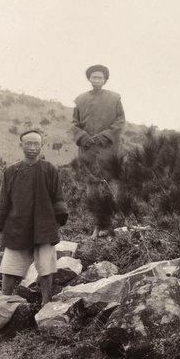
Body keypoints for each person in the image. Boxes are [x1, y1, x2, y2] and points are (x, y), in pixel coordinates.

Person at [0, 130, 68, 306]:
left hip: (44, 226)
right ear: (21, 146)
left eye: (36, 144)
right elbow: (3, 201)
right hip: (17, 226)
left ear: (42, 146)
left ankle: (45, 302)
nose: (33, 148)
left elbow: (58, 197)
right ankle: (4, 301)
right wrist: (1, 227)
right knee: (10, 268)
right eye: (28, 144)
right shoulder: (11, 171)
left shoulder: (50, 169)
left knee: (46, 267)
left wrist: (55, 225)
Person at [72, 64, 125, 239]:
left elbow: (120, 122)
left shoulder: (114, 98)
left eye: (100, 78)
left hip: (109, 151)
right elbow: (74, 124)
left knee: (111, 188)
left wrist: (103, 136)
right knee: (92, 190)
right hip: (88, 152)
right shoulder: (80, 100)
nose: (97, 80)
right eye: (94, 77)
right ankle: (96, 227)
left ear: (105, 80)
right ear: (89, 79)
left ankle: (111, 228)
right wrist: (85, 138)